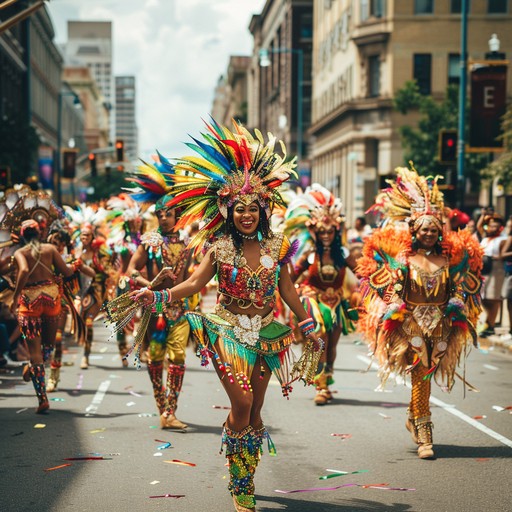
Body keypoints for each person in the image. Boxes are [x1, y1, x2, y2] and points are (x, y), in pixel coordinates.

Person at [106, 120, 323, 512]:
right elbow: (192, 285)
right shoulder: (219, 247)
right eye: (239, 208)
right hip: (226, 332)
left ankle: (247, 472)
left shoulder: (278, 246)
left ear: (263, 210)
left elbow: (288, 291)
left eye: (253, 209)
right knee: (241, 404)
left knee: (255, 411)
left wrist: (308, 323)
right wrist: (154, 295)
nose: (246, 215)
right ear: (228, 210)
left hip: (267, 335)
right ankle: (240, 481)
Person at [357, 166, 482, 460]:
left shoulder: (447, 260)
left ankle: (414, 415)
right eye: (424, 228)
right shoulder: (405, 259)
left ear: (439, 232)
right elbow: (382, 279)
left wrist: (458, 304)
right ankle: (426, 434)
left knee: (425, 376)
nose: (428, 233)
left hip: (440, 326)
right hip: (411, 325)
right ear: (415, 231)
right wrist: (393, 305)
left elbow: (462, 285)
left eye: (433, 229)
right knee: (421, 375)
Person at [124, 185, 197, 430]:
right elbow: (132, 270)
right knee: (155, 358)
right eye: (160, 214)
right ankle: (162, 408)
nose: (164, 218)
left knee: (177, 357)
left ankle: (170, 411)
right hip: (155, 309)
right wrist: (150, 284)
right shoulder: (150, 241)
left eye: (168, 213)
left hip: (180, 309)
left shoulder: (189, 241)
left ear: (178, 214)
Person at [284, 183, 358, 405]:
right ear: (315, 232)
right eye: (322, 231)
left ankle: (328, 376)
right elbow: (292, 279)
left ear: (336, 231)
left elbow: (363, 273)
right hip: (315, 303)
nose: (326, 235)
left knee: (332, 345)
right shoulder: (308, 255)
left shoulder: (343, 254)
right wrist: (285, 264)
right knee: (320, 341)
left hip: (336, 305)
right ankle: (321, 386)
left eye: (330, 231)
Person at [11, 220, 84, 412]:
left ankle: (42, 398)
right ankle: (34, 365)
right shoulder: (50, 249)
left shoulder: (20, 253)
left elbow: (24, 270)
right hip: (52, 299)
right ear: (40, 233)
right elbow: (67, 272)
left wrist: (17, 294)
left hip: (30, 303)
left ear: (22, 236)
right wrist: (74, 266)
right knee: (48, 346)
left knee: (35, 351)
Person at [477, 213, 506, 338]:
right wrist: (485, 215)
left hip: (496, 270)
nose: (492, 228)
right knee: (483, 298)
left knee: (493, 299)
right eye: (490, 226)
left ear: (500, 228)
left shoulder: (502, 239)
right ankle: (489, 321)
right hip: (483, 271)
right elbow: (480, 226)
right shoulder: (485, 238)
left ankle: (491, 325)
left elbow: (503, 255)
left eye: (495, 226)